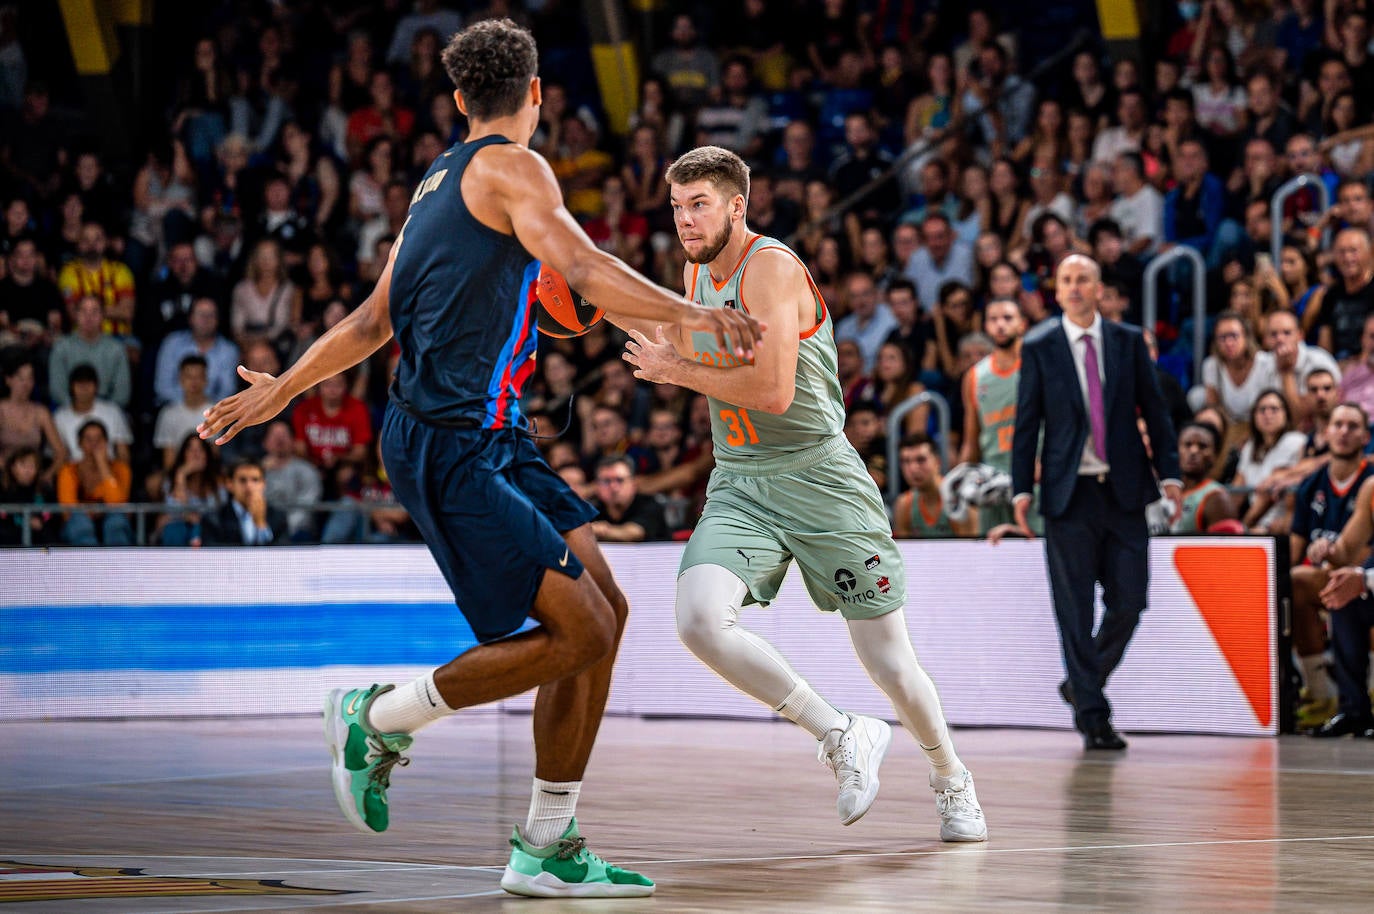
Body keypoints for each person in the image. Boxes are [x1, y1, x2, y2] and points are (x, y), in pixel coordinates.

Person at [198, 20, 759, 900]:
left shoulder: (433, 183)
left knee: (605, 612)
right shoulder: (517, 168)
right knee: (583, 629)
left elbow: (369, 323)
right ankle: (377, 719)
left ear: (460, 99)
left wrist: (285, 389)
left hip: (492, 433)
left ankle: (546, 843)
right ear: (537, 94)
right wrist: (694, 317)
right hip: (450, 442)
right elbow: (580, 261)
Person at [622, 145, 986, 842]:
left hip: (820, 477)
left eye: (698, 204)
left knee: (888, 660)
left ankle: (950, 775)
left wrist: (676, 373)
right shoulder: (698, 271)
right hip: (741, 480)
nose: (685, 220)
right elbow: (672, 336)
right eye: (676, 206)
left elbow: (772, 389)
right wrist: (584, 299)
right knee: (699, 619)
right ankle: (839, 732)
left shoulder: (773, 267)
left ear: (737, 204)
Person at [1011, 254, 1182, 751]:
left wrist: (1169, 472)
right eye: (1066, 279)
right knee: (1074, 609)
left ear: (1100, 287)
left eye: (1083, 278)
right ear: (1057, 291)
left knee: (1131, 600)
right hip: (1069, 493)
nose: (1075, 286)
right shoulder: (1040, 344)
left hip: (1125, 488)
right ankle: (1092, 714)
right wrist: (1022, 487)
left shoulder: (1127, 341)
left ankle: (1083, 684)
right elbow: (1028, 423)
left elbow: (1155, 409)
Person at [1288, 403, 1373, 729]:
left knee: (1351, 585)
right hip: (1366, 578)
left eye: (1353, 426)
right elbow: (1349, 548)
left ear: (1366, 437)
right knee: (1341, 591)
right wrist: (1328, 550)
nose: (1344, 432)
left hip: (1369, 576)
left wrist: (1362, 578)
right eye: (1338, 425)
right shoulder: (1370, 489)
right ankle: (1350, 709)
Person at [959, 297, 1039, 535]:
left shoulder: (1038, 364)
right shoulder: (974, 376)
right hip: (992, 482)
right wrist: (963, 476)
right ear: (985, 326)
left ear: (1022, 324)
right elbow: (972, 439)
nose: (1000, 325)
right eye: (993, 319)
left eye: (1007, 318)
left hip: (1036, 480)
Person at [56, 419, 134, 546]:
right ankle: (88, 564)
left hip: (111, 520)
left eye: (99, 439)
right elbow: (68, 510)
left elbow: (117, 504)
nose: (94, 444)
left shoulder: (121, 469)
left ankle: (117, 564)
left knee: (116, 522)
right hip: (79, 523)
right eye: (88, 439)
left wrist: (102, 464)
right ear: (79, 443)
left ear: (106, 442)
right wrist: (99, 510)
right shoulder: (68, 470)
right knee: (80, 522)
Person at [893, 433, 973, 537]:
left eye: (921, 460)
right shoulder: (904, 504)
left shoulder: (959, 499)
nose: (913, 468)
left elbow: (969, 550)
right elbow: (904, 552)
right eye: (906, 461)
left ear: (937, 462)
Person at [202, 458, 288, 546]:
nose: (249, 486)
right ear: (229, 484)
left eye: (255, 480)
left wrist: (261, 524)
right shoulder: (213, 520)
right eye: (242, 480)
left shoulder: (278, 518)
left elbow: (281, 557)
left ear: (263, 484)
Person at [1171, 422, 1237, 533]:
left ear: (1215, 454)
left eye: (1202, 446)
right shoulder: (1161, 489)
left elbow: (1223, 548)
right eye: (1187, 445)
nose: (1193, 451)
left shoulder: (1218, 498)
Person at [588, 455, 668, 542]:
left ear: (633, 483)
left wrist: (599, 531)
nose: (614, 487)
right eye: (606, 481)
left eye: (620, 480)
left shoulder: (651, 505)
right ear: (597, 486)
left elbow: (634, 533)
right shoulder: (592, 510)